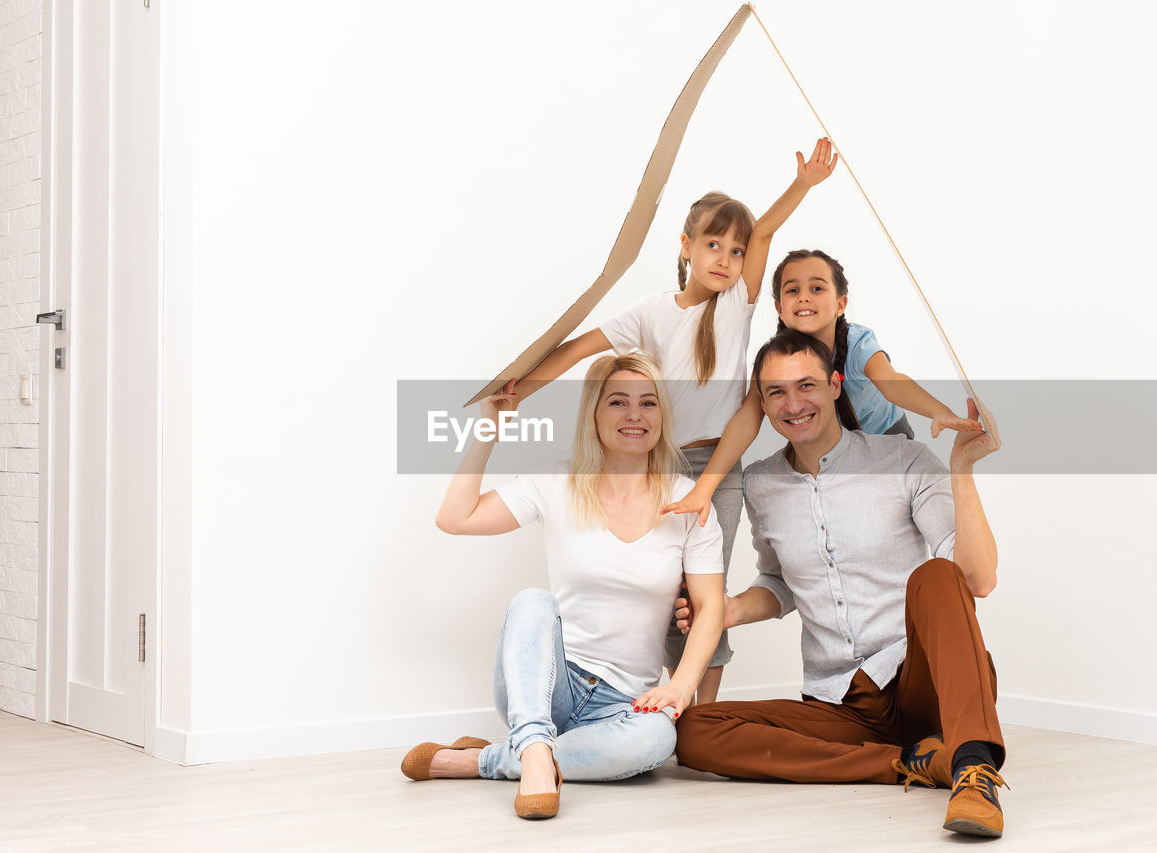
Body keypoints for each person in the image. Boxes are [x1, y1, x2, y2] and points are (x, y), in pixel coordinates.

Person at [512, 139, 837, 703]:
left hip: (721, 467)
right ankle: (643, 701)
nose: (725, 259)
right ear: (685, 245)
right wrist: (516, 391)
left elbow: (763, 234)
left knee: (700, 596)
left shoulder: (737, 302)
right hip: (662, 467)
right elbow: (575, 350)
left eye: (735, 251)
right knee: (666, 598)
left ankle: (701, 719)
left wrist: (804, 184)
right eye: (713, 245)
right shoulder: (652, 313)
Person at [672, 329, 1010, 838]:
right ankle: (911, 762)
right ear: (762, 405)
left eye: (806, 385)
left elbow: (976, 580)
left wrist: (961, 469)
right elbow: (779, 582)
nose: (793, 403)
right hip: (841, 704)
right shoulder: (762, 483)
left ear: (834, 385)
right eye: (776, 393)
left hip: (928, 685)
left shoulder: (904, 461)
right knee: (695, 731)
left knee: (938, 575)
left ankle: (974, 768)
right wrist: (731, 609)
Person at [403, 353, 725, 820]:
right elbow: (455, 518)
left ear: (662, 416)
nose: (635, 415)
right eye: (618, 402)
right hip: (547, 683)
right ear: (594, 414)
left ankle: (492, 758)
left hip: (624, 703)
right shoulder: (557, 481)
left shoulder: (687, 501)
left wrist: (680, 686)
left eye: (648, 403)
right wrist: (487, 431)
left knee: (657, 740)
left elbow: (710, 606)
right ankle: (533, 745)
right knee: (532, 600)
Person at [662, 248, 982, 525]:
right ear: (779, 309)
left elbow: (892, 383)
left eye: (817, 288)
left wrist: (938, 412)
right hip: (831, 453)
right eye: (792, 290)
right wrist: (704, 487)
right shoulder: (777, 360)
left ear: (841, 303)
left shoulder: (856, 342)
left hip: (884, 438)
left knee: (890, 521)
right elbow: (747, 420)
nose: (804, 296)